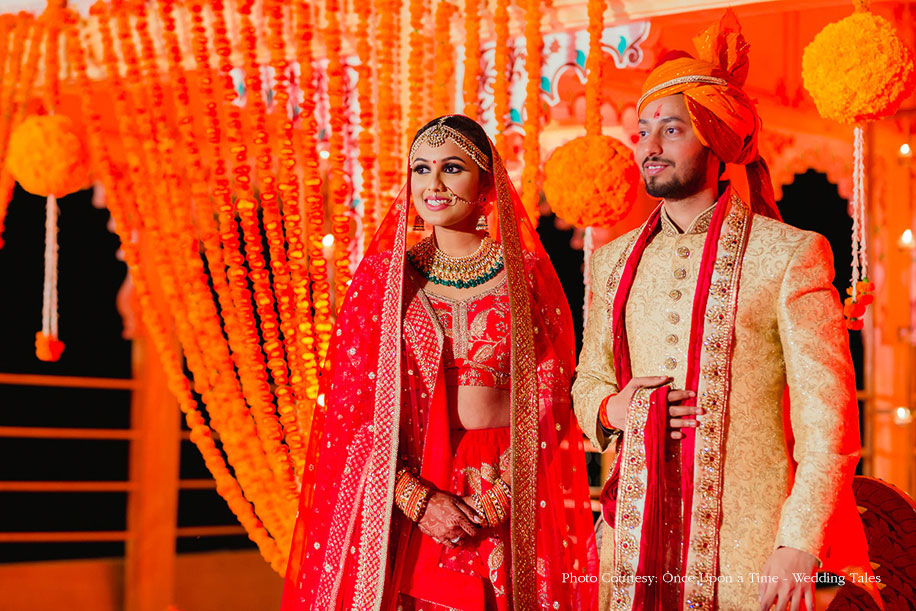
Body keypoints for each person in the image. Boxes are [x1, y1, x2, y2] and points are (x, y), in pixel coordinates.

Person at [572, 12, 881, 611]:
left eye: (671, 130)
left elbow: (830, 425)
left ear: (715, 139)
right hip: (631, 545)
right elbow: (588, 382)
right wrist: (614, 408)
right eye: (642, 132)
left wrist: (798, 543)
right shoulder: (611, 263)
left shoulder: (788, 255)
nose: (649, 147)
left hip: (755, 553)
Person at [283, 115, 598, 610]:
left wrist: (505, 490)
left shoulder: (527, 275)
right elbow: (350, 410)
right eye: (421, 168)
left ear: (487, 184)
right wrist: (417, 499)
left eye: (452, 167)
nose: (433, 183)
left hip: (510, 481)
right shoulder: (385, 282)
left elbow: (554, 389)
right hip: (414, 487)